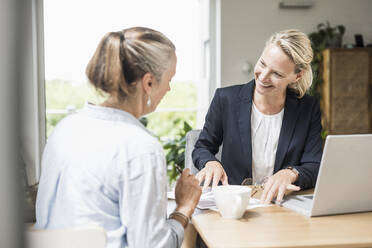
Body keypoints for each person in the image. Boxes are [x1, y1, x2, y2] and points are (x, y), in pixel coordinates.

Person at [35, 27, 202, 248]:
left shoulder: (64, 129)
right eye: (169, 79)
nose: (169, 88)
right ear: (149, 83)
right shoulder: (141, 147)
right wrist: (184, 207)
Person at [192, 29, 322, 205]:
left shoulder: (307, 107)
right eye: (262, 63)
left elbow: (314, 164)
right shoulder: (226, 99)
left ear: (297, 76)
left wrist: (290, 173)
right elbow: (202, 147)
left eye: (276, 73)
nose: (263, 76)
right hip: (234, 205)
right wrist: (210, 163)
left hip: (281, 207)